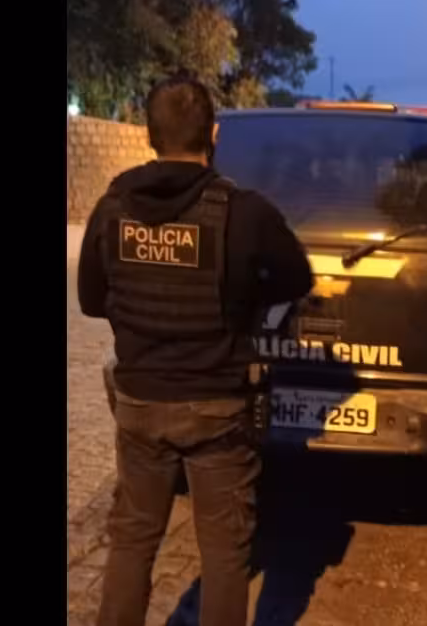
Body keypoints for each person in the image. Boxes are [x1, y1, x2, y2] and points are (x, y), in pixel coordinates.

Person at [77, 76, 314, 626]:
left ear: (148, 135)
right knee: (225, 551)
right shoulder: (245, 212)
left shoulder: (112, 207)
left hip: (139, 405)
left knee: (132, 540)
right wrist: (244, 300)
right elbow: (296, 278)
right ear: (213, 134)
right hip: (217, 410)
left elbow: (90, 299)